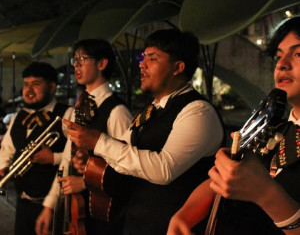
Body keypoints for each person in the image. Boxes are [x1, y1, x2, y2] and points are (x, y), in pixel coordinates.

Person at [63, 29, 225, 234]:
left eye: (152, 58)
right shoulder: (152, 110)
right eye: (143, 57)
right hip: (137, 223)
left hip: (172, 227)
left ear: (178, 67)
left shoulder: (198, 112)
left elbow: (163, 169)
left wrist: (99, 143)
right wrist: (91, 158)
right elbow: (123, 153)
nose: (142, 64)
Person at [167, 16, 300, 235]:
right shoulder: (275, 132)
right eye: (278, 56)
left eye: (298, 54)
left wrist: (267, 194)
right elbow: (225, 179)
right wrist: (184, 214)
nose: (282, 64)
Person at [35, 39, 132, 235]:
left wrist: (85, 181)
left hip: (105, 217)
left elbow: (129, 170)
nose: (76, 65)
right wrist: (50, 205)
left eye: (82, 59)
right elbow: (67, 160)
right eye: (75, 59)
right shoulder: (78, 109)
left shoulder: (117, 112)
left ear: (101, 64)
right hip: (77, 213)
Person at [0, 61, 73, 235]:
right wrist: (2, 167)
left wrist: (53, 158)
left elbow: (79, 156)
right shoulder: (19, 116)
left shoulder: (68, 114)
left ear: (52, 87)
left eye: (36, 84)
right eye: (26, 84)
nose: (29, 90)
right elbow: (8, 149)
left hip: (55, 205)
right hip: (23, 202)